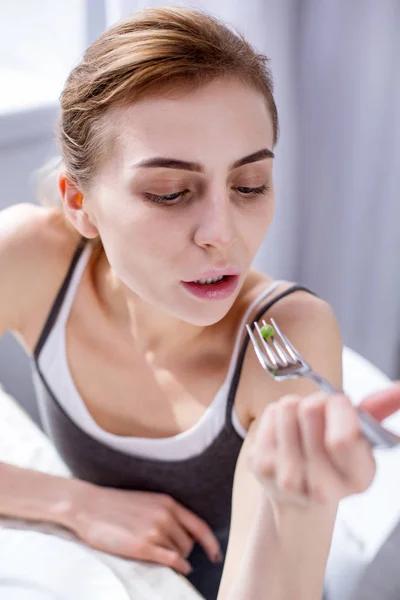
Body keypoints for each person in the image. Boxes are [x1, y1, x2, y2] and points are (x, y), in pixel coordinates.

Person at [0, 7, 399, 600]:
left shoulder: (289, 337)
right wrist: (75, 502)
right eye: (170, 193)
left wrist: (290, 507)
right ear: (79, 202)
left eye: (249, 186)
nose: (221, 232)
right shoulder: (33, 258)